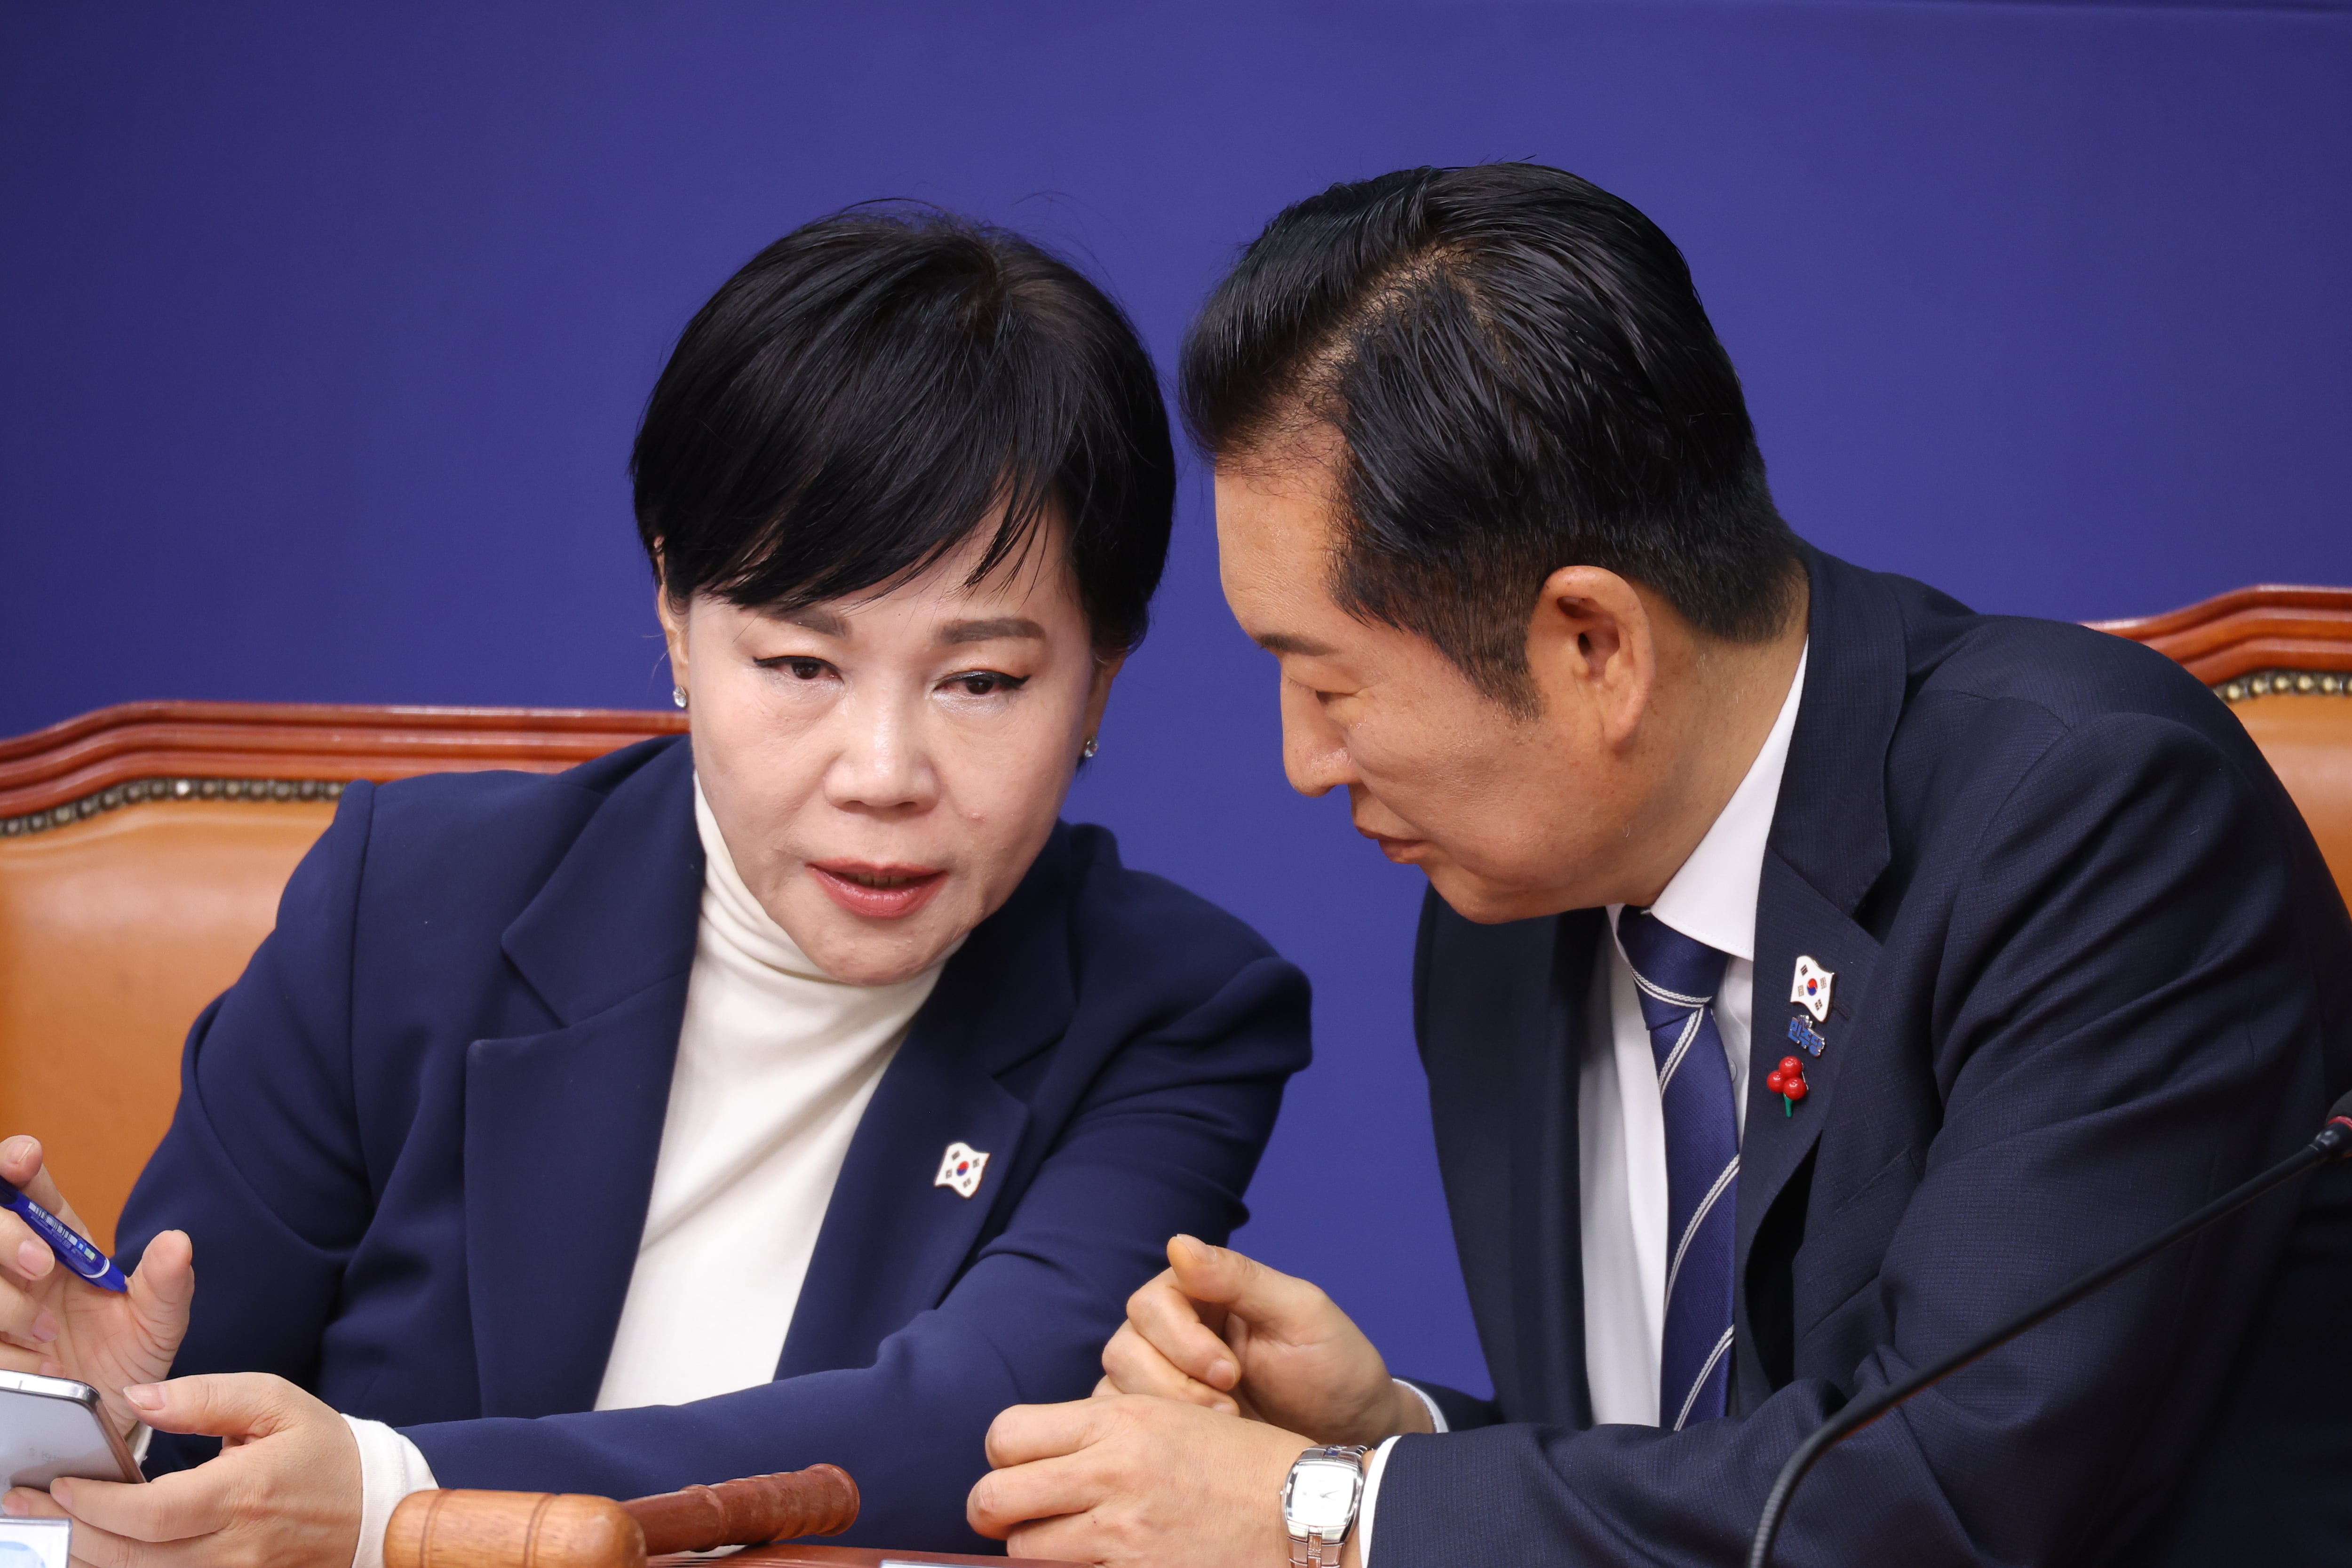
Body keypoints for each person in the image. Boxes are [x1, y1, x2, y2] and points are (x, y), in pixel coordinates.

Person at [969, 163, 2352, 1566]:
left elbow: (1951, 1501)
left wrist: (1322, 1515)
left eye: (1328, 684)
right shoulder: (1500, 918)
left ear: (1596, 647)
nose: (1303, 762)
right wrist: (1391, 1440)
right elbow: (1696, 1482)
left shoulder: (2093, 821)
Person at [0, 209, 1312, 1565]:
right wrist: (91, 1408)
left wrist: (401, 1502)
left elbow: (984, 1432)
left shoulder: (1177, 1008)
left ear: (1099, 679)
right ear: (678, 618)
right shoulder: (408, 903)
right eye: (801, 666)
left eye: (980, 682)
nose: (882, 773)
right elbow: (195, 1430)